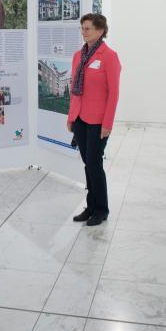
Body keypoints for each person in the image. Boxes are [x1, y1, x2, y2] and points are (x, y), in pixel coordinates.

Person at [68, 13, 121, 226]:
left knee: (94, 163)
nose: (84, 32)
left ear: (100, 31)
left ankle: (101, 209)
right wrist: (71, 117)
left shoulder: (110, 56)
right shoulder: (77, 56)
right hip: (80, 118)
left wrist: (108, 123)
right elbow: (74, 90)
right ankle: (90, 206)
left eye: (88, 28)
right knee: (87, 164)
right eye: (82, 28)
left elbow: (114, 93)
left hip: (98, 120)